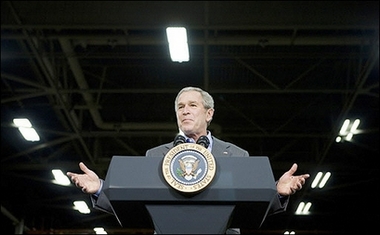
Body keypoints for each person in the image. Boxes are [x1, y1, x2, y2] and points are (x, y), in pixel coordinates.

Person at [67, 86, 310, 234]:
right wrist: (99, 187)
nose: (185, 110)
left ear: (209, 113)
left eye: (192, 105)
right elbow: (133, 204)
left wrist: (277, 192)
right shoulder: (156, 156)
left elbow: (253, 208)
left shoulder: (237, 155)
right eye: (180, 107)